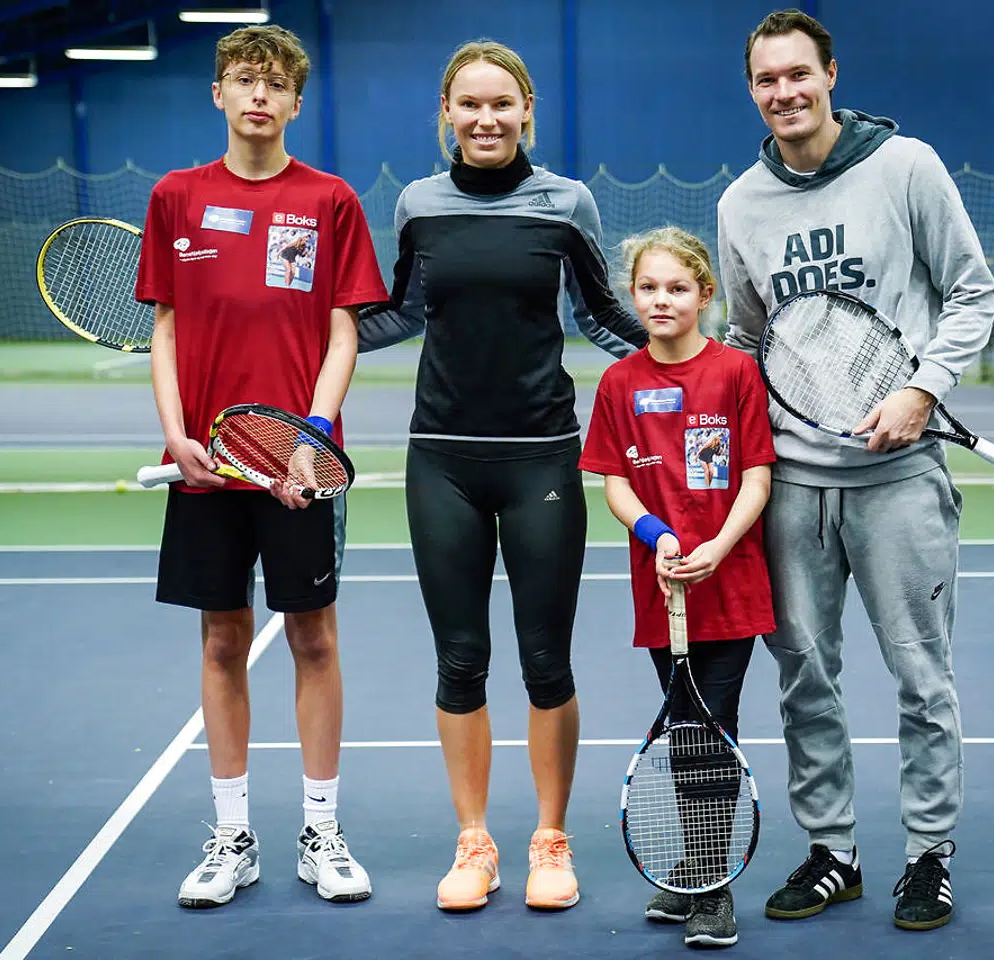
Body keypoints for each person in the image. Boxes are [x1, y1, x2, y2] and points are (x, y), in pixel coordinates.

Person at [356, 39, 649, 912]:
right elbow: (399, 312)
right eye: (469, 105)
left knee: (545, 661)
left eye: (502, 104)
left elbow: (601, 316)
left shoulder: (568, 203)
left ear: (527, 111)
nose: (486, 119)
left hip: (542, 460)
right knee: (460, 661)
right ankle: (474, 842)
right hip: (441, 459)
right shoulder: (417, 205)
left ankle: (550, 841)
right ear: (446, 114)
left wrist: (694, 361)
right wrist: (301, 336)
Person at [719, 9, 994, 931]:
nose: (785, 93)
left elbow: (970, 290)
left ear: (831, 74)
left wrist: (922, 390)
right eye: (767, 80)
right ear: (752, 90)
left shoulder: (905, 167)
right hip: (793, 486)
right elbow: (744, 341)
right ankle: (832, 851)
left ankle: (929, 857)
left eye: (800, 74)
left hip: (901, 481)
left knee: (923, 676)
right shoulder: (738, 206)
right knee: (805, 675)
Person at [133, 24, 389, 909]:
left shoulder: (330, 201)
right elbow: (163, 325)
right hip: (205, 465)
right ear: (218, 93)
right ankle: (232, 835)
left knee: (314, 637)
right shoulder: (176, 198)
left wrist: (311, 435)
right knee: (220, 640)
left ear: (295, 102)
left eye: (275, 84)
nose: (258, 96)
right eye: (244, 80)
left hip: (299, 467)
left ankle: (321, 830)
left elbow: (343, 326)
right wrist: (176, 432)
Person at [579, 227, 775, 948]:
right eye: (650, 288)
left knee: (707, 728)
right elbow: (616, 484)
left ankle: (711, 887)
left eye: (678, 288)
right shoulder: (619, 381)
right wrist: (658, 538)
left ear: (704, 295)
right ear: (634, 296)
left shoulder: (734, 374)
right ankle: (695, 866)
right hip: (663, 589)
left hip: (731, 586)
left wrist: (719, 547)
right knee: (688, 728)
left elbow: (757, 475)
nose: (662, 300)